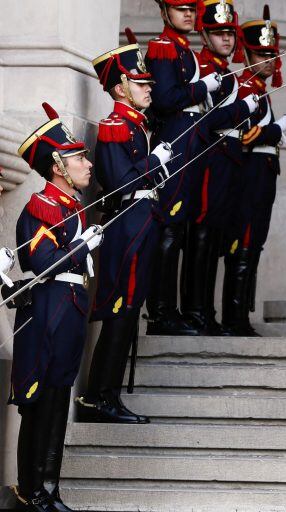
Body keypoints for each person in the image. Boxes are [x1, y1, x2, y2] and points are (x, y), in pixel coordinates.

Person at [9, 103, 104, 511]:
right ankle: (31, 490)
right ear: (58, 167)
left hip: (71, 304)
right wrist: (83, 245)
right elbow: (42, 262)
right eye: (78, 157)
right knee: (39, 400)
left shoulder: (72, 208)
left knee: (59, 396)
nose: (86, 163)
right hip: (48, 306)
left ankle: (50, 488)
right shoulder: (42, 206)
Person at [75, 31, 172, 425]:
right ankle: (99, 396)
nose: (149, 88)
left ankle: (107, 394)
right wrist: (155, 163)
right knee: (121, 308)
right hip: (127, 221)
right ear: (120, 87)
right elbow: (121, 182)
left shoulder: (135, 124)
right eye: (141, 83)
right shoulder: (116, 124)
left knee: (129, 310)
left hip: (141, 219)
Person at [144, 0, 257, 336]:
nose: (189, 14)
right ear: (165, 12)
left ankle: (174, 312)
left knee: (177, 230)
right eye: (181, 9)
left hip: (191, 144)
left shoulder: (185, 52)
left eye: (191, 9)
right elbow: (165, 99)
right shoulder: (163, 48)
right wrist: (203, 86)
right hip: (177, 142)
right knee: (169, 228)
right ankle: (161, 313)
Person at [221, 6, 286, 335]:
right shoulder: (245, 89)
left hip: (263, 173)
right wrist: (276, 130)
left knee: (254, 244)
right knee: (244, 241)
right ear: (246, 55)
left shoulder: (260, 90)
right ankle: (234, 317)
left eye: (271, 55)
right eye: (261, 54)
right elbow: (246, 135)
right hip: (249, 174)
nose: (268, 61)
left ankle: (241, 316)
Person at [180, 0, 250, 335]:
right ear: (204, 35)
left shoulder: (224, 69)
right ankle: (196, 309)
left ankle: (205, 310)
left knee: (216, 235)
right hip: (211, 156)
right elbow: (208, 119)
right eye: (218, 33)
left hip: (228, 159)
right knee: (202, 234)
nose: (226, 39)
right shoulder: (204, 66)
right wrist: (242, 111)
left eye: (229, 33)